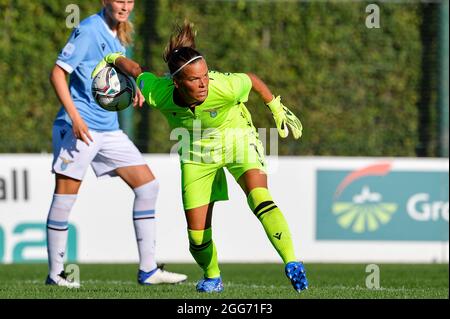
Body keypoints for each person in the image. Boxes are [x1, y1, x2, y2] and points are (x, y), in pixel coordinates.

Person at [92, 21, 308, 293]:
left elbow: (251, 79)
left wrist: (275, 107)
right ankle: (212, 276)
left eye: (205, 75)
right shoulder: (158, 92)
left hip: (237, 140)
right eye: (195, 79)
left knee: (259, 197)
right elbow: (136, 71)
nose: (204, 83)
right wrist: (111, 58)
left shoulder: (223, 86)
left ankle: (291, 261)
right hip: (196, 156)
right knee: (196, 237)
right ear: (177, 82)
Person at [46, 0, 187, 287]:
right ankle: (56, 273)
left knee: (148, 186)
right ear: (104, 1)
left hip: (109, 130)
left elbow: (109, 75)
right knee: (65, 196)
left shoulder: (119, 34)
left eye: (129, 1)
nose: (125, 6)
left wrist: (132, 86)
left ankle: (148, 271)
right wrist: (74, 117)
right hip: (80, 128)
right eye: (119, 0)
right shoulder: (88, 29)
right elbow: (58, 73)